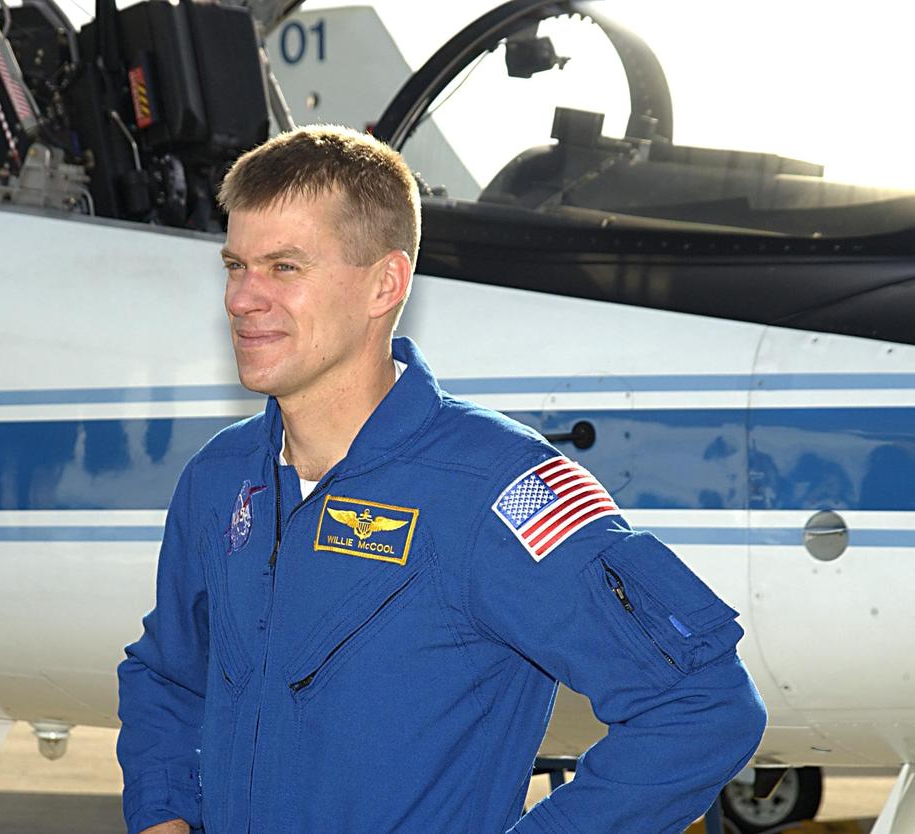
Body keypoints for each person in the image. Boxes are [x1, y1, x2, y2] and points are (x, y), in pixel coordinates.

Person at [116, 124, 767, 834]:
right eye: (235, 265)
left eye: (285, 268)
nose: (243, 298)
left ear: (384, 284)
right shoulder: (219, 482)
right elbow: (168, 675)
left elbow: (703, 704)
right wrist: (163, 816)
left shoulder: (497, 486)